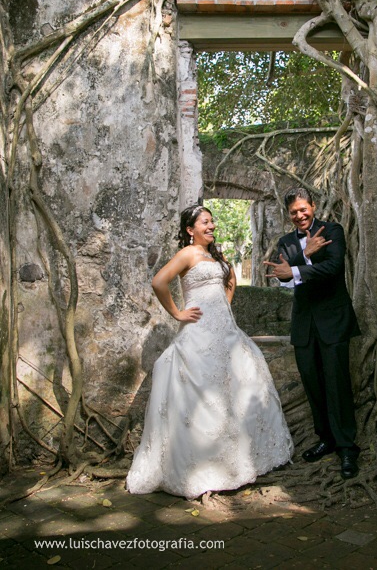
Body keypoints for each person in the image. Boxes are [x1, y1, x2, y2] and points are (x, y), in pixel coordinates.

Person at [127, 204, 293, 500]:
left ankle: (237, 463)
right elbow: (158, 282)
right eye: (205, 222)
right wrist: (178, 313)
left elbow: (229, 281)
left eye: (212, 221)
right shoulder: (187, 254)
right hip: (198, 334)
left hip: (227, 332)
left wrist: (223, 306)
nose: (212, 226)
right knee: (203, 397)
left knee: (234, 391)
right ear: (191, 230)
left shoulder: (216, 255)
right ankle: (204, 467)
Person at [264, 187, 361, 479]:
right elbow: (284, 283)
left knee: (337, 384)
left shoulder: (332, 230)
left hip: (333, 321)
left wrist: (298, 266)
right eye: (294, 212)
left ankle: (347, 447)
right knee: (313, 385)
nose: (299, 215)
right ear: (288, 214)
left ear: (313, 206)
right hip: (304, 325)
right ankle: (326, 439)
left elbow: (333, 268)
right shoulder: (285, 242)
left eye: (303, 209)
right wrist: (301, 261)